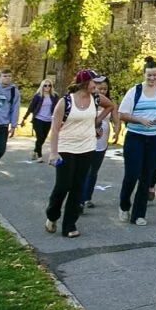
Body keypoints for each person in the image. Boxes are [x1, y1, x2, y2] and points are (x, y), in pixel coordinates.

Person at [116, 58, 156, 226]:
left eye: (155, 75)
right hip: (135, 137)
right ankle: (124, 205)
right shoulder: (135, 91)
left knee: (147, 176)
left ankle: (139, 214)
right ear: (144, 74)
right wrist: (139, 120)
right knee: (132, 174)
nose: (152, 79)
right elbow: (122, 114)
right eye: (149, 75)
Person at [44, 79, 105, 238]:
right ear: (84, 83)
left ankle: (70, 225)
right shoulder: (65, 101)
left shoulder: (96, 98)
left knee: (78, 187)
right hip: (66, 147)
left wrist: (96, 124)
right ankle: (52, 215)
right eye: (94, 83)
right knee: (63, 185)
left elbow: (111, 106)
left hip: (87, 148)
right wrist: (53, 152)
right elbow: (55, 129)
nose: (97, 87)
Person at [80, 75, 116, 210]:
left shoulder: (107, 102)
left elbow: (114, 112)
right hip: (86, 140)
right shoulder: (88, 100)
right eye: (99, 88)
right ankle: (80, 199)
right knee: (85, 170)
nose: (102, 91)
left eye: (105, 89)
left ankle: (87, 197)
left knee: (93, 171)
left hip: (102, 141)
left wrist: (116, 131)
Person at [21, 79, 58, 161]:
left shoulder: (54, 96)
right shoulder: (38, 96)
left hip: (48, 120)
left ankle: (34, 151)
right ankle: (39, 156)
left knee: (43, 139)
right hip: (38, 119)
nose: (47, 87)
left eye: (49, 85)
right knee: (40, 137)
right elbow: (31, 107)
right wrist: (24, 118)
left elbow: (58, 108)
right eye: (45, 85)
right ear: (42, 86)